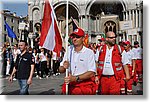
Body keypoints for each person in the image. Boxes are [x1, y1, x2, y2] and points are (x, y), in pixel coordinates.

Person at [59, 28, 96, 95]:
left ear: (83, 38)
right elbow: (60, 69)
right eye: (73, 37)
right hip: (70, 85)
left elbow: (91, 72)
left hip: (84, 85)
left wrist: (76, 78)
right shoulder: (69, 50)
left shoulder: (89, 52)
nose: (74, 39)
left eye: (77, 37)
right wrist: (63, 67)